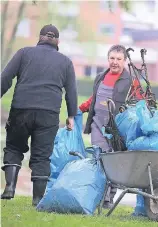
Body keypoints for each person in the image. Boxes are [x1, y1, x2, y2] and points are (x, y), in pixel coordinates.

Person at [1, 24, 78, 206]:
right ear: (57, 41)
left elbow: (5, 78)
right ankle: (37, 199)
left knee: (13, 147)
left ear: (40, 37)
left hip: (21, 109)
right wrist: (71, 116)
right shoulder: (65, 62)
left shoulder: (24, 53)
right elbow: (71, 91)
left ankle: (9, 187)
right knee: (42, 155)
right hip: (49, 114)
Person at [79, 44, 142, 209]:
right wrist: (81, 108)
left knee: (112, 162)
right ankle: (98, 196)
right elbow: (95, 97)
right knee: (99, 160)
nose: (115, 62)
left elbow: (140, 103)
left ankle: (108, 199)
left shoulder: (131, 81)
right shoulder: (100, 76)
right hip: (97, 126)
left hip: (116, 129)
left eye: (119, 59)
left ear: (125, 61)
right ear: (108, 59)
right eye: (112, 58)